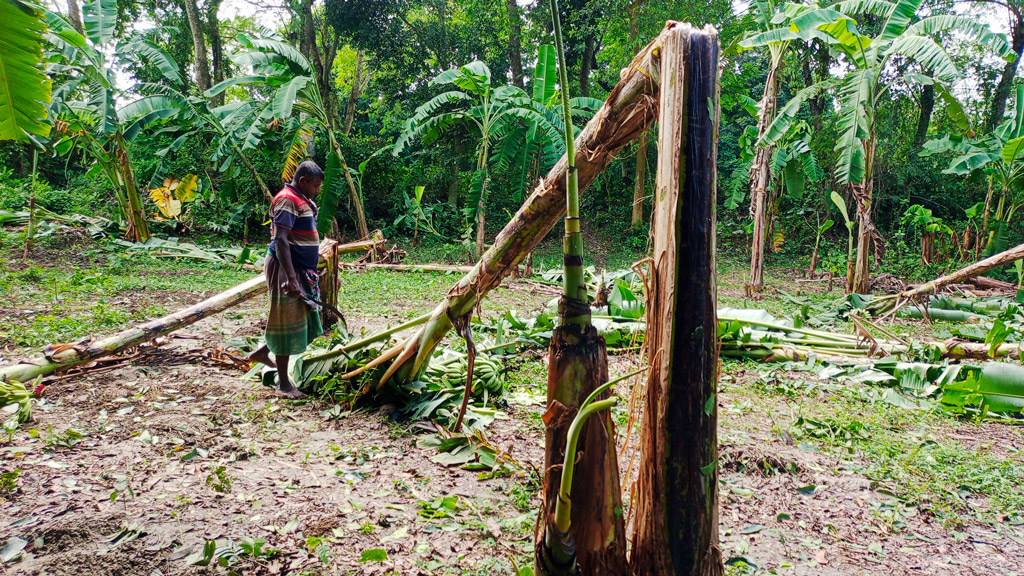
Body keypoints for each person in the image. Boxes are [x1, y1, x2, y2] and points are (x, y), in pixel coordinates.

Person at [247, 161, 325, 398]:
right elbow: (281, 240)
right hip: (285, 269)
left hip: (299, 269)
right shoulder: (286, 200)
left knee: (303, 319)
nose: (317, 191)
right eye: (315, 186)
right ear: (303, 181)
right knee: (286, 321)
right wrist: (291, 278)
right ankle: (283, 384)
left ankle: (263, 351)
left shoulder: (301, 198)